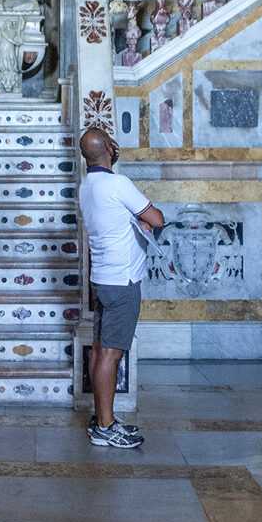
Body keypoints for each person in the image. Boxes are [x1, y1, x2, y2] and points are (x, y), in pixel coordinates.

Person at [78, 127, 164, 448]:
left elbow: (117, 217)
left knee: (100, 348)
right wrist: (141, 217)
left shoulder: (86, 186)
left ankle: (100, 418)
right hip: (123, 281)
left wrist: (132, 217)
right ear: (109, 148)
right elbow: (157, 218)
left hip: (102, 278)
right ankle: (106, 426)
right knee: (111, 355)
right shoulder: (118, 184)